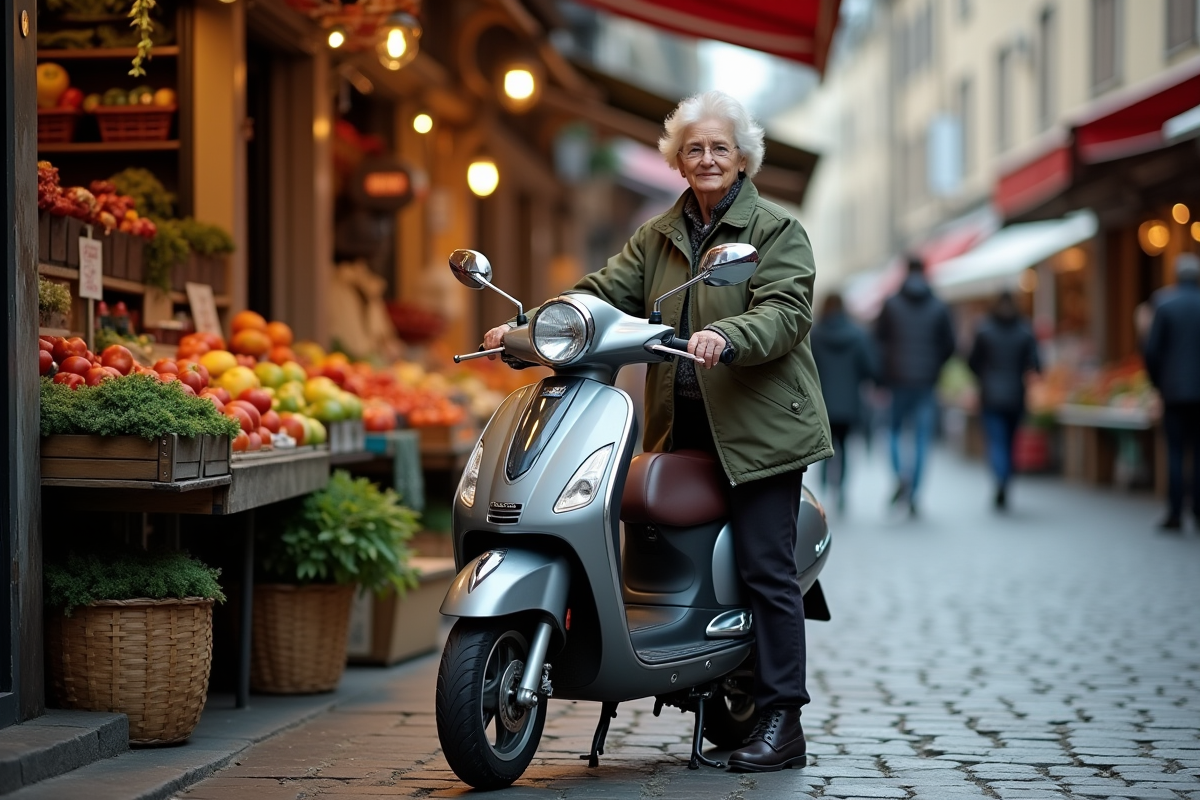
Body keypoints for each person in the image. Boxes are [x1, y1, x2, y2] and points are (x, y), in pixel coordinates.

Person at [484, 90, 831, 772]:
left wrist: (727, 335)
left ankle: (783, 720)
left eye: (720, 148)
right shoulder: (659, 236)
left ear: (742, 159)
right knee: (648, 536)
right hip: (685, 425)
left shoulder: (775, 233)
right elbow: (602, 291)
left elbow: (786, 312)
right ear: (677, 159)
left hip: (761, 431)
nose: (707, 158)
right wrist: (530, 330)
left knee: (766, 568)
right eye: (695, 148)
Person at [874, 256, 956, 516]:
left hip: (897, 379)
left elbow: (877, 342)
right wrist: (935, 365)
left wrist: (884, 373)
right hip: (926, 381)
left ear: (905, 272)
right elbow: (950, 345)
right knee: (922, 438)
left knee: (895, 432)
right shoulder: (939, 306)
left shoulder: (891, 304)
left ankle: (901, 476)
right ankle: (915, 492)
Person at [967, 292, 1041, 510]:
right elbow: (1036, 364)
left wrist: (983, 377)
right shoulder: (1024, 330)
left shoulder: (984, 330)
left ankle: (1000, 478)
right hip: (1016, 394)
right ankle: (1006, 479)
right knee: (1010, 441)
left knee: (996, 441)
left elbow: (971, 361)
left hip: (990, 394)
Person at [1144, 252, 1200, 531]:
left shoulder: (1164, 305)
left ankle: (1176, 513)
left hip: (1174, 390)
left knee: (1176, 452)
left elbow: (1151, 351)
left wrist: (1157, 383)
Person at [810, 293, 877, 510]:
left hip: (823, 401)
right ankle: (842, 489)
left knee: (826, 446)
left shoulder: (816, 334)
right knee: (845, 447)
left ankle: (826, 486)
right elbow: (869, 367)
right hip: (849, 402)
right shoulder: (857, 334)